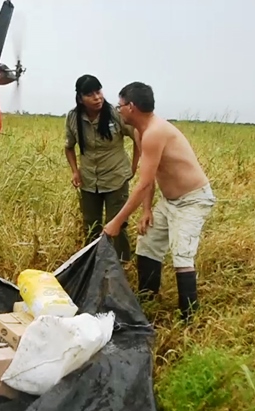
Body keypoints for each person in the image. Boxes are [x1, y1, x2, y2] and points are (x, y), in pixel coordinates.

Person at [103, 82, 217, 321]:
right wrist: (146, 210)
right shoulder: (139, 132)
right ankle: (146, 301)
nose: (119, 110)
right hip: (170, 200)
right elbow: (150, 174)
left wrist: (116, 222)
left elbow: (142, 184)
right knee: (148, 242)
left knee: (182, 255)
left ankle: (189, 319)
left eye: (120, 105)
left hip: (192, 200)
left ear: (131, 107)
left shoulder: (155, 132)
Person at [64, 74, 140, 262]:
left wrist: (134, 166)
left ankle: (121, 263)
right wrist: (75, 171)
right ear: (80, 98)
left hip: (116, 178)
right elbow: (69, 147)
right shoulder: (73, 117)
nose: (97, 97)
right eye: (90, 94)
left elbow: (138, 137)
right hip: (89, 180)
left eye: (98, 92)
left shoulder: (115, 114)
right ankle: (93, 263)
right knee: (91, 225)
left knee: (118, 224)